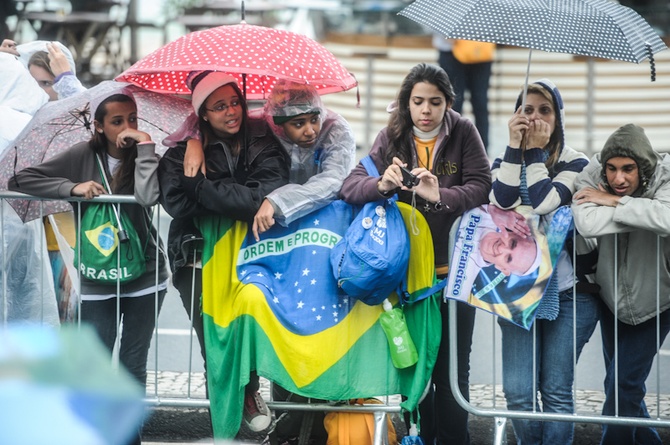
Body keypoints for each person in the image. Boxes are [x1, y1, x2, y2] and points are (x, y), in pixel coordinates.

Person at [339, 62, 491, 445]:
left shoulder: (465, 132)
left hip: (454, 277)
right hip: (408, 279)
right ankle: (420, 438)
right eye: (418, 101)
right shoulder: (390, 136)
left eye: (435, 102)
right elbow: (351, 187)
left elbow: (481, 186)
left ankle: (456, 439)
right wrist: (382, 184)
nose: (426, 110)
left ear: (448, 104)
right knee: (416, 366)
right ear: (406, 103)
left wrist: (441, 195)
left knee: (453, 370)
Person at [8, 89, 169, 445]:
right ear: (98, 127)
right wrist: (72, 187)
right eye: (117, 121)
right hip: (97, 274)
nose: (126, 127)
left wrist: (145, 147)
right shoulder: (83, 155)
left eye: (132, 119)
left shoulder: (145, 154)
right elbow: (20, 181)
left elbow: (147, 196)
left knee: (132, 361)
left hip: (145, 273)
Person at [158, 70, 290, 435]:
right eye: (219, 107)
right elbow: (177, 204)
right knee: (213, 341)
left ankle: (253, 393)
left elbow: (259, 198)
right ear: (203, 114)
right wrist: (219, 191)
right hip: (195, 256)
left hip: (255, 257)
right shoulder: (180, 149)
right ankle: (230, 415)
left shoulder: (264, 139)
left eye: (235, 102)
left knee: (250, 331)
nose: (232, 111)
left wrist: (199, 184)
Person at [489, 78, 599, 444]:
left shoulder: (577, 161)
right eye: (528, 109)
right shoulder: (505, 158)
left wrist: (534, 153)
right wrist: (513, 148)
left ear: (558, 118)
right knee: (518, 392)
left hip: (568, 292)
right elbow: (502, 200)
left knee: (555, 391)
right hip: (517, 287)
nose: (535, 117)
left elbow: (544, 201)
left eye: (545, 110)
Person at [572, 123, 670, 445]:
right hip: (611, 299)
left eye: (628, 170)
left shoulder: (665, 175)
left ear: (642, 167)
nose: (618, 179)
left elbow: (667, 219)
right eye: (612, 170)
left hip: (657, 300)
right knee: (619, 385)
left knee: (624, 385)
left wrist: (611, 202)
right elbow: (586, 222)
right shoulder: (593, 171)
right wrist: (642, 213)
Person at [433, 33, 495, 153]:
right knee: (454, 103)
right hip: (453, 50)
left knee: (479, 102)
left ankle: (481, 151)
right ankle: (450, 149)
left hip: (479, 50)